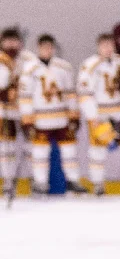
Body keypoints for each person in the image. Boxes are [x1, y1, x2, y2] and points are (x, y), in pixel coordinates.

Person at [77, 33, 120, 192]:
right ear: (98, 47)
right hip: (101, 113)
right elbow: (85, 93)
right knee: (97, 150)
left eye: (110, 45)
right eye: (104, 45)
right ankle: (98, 183)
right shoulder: (90, 65)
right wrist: (92, 117)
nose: (107, 48)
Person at [17, 34, 80, 194]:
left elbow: (70, 93)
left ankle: (73, 180)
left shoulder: (64, 67)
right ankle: (40, 182)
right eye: (44, 47)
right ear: (38, 48)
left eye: (49, 47)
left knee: (69, 150)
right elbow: (25, 96)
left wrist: (73, 115)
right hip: (40, 118)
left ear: (53, 48)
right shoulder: (29, 69)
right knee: (39, 152)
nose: (47, 50)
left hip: (61, 116)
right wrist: (27, 119)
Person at [0, 28, 35, 196]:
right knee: (6, 147)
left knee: (31, 146)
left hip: (25, 109)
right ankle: (8, 181)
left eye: (14, 40)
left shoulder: (28, 59)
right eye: (7, 40)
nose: (11, 44)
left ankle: (34, 179)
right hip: (4, 110)